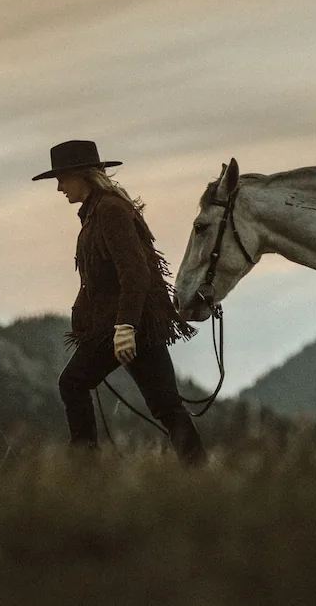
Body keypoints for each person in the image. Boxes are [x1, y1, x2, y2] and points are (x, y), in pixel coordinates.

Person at [32, 139, 206, 465]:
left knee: (72, 383)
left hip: (126, 324)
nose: (58, 187)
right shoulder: (100, 211)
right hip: (138, 323)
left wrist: (125, 326)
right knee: (167, 406)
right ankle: (199, 471)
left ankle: (86, 470)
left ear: (83, 175)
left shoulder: (109, 211)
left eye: (62, 178)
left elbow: (135, 272)